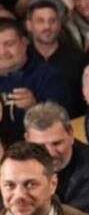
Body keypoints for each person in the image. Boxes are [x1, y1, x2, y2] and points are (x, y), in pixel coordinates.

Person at [0, 17, 70, 146]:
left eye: (9, 44)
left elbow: (62, 126)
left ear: (24, 42)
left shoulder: (49, 77)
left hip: (37, 153)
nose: (2, 52)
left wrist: (34, 107)